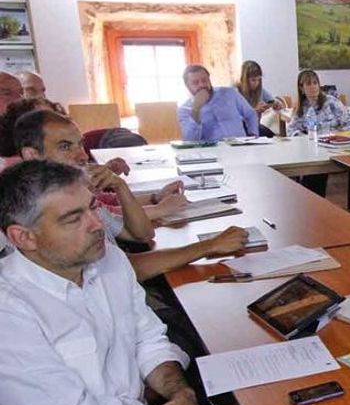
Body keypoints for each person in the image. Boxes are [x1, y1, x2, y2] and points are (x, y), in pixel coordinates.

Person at [0, 160, 275, 405]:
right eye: (73, 219)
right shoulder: (8, 308)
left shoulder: (107, 259)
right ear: (24, 237)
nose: (96, 225)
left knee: (248, 404)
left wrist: (181, 395)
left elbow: (148, 338)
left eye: (92, 207)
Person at [15, 109, 249, 281]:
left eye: (80, 144)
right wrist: (210, 246)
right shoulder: (38, 208)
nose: (82, 155)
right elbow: (127, 268)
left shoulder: (78, 194)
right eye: (66, 147)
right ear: (32, 155)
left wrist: (120, 186)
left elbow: (141, 234)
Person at [286, 69, 350, 196]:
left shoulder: (331, 102)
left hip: (333, 146)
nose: (313, 87)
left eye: (315, 83)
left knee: (314, 177)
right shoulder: (302, 108)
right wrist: (303, 137)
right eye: (308, 84)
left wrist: (339, 134)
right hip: (312, 149)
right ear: (301, 88)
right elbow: (291, 130)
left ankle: (311, 203)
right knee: (312, 174)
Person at [178, 64, 258, 141]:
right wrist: (196, 110)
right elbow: (190, 140)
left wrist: (253, 135)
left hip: (240, 146)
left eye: (204, 80)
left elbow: (250, 113)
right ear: (188, 86)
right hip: (212, 152)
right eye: (195, 83)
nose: (202, 85)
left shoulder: (230, 93)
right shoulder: (184, 110)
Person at [235, 61, 281, 137]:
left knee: (271, 136)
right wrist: (254, 111)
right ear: (244, 79)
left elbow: (272, 100)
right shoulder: (235, 91)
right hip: (239, 129)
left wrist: (276, 104)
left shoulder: (260, 90)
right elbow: (234, 119)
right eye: (253, 80)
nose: (257, 83)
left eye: (259, 79)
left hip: (254, 127)